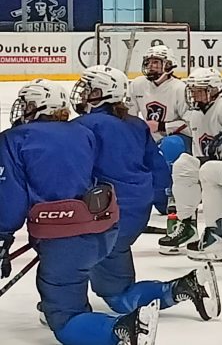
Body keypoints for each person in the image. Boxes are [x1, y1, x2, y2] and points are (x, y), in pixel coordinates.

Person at [0, 79, 160, 344]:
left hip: (64, 235)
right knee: (85, 284)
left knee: (64, 318)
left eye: (27, 103)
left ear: (40, 107)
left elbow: (10, 197)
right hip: (104, 228)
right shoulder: (81, 131)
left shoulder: (14, 139)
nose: (22, 109)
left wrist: (3, 234)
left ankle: (125, 329)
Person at [70, 66, 221, 323]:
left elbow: (71, 172)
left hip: (104, 215)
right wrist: (165, 205)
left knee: (112, 291)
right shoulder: (137, 124)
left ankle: (67, 307)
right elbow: (158, 168)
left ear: (101, 94)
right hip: (136, 212)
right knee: (107, 260)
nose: (83, 93)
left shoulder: (83, 126)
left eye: (89, 89)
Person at [158, 68, 222, 260]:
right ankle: (187, 224)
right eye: (193, 90)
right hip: (215, 174)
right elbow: (201, 154)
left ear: (214, 90)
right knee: (184, 164)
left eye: (200, 90)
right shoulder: (196, 114)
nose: (194, 94)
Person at [126, 45, 191, 215]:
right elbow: (129, 116)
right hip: (150, 139)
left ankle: (174, 194)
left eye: (156, 62)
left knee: (170, 145)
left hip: (179, 141)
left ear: (168, 65)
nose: (151, 66)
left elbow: (191, 123)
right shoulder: (137, 85)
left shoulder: (180, 88)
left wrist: (162, 127)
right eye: (149, 62)